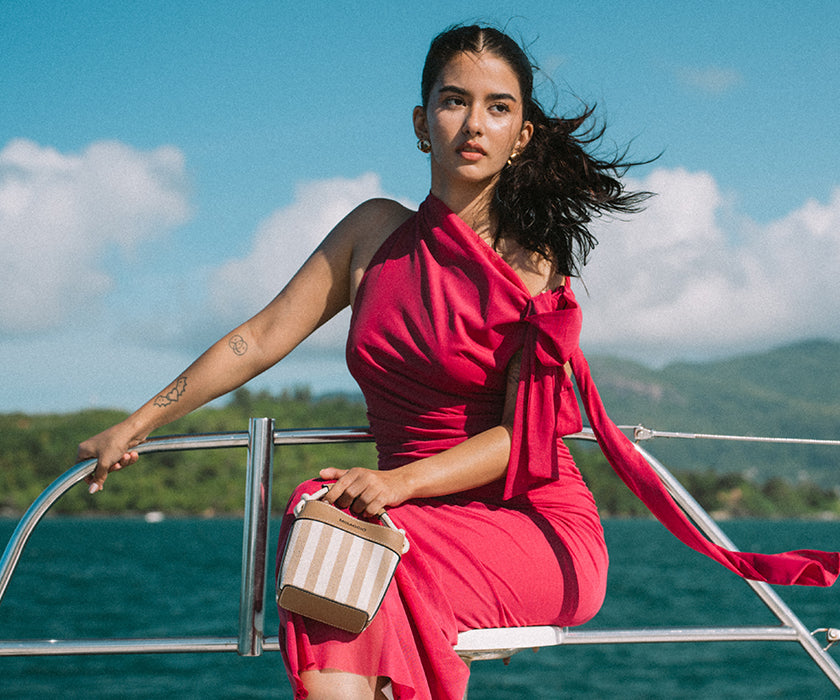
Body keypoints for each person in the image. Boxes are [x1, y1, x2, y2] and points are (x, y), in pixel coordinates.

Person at [78, 24, 838, 700]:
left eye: (497, 107)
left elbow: (523, 440)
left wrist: (397, 483)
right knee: (326, 520)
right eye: (454, 101)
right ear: (421, 122)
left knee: (359, 548)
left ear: (522, 134)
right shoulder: (373, 233)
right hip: (408, 514)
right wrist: (138, 422)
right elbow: (262, 336)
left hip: (533, 523)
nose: (474, 123)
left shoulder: (534, 264)